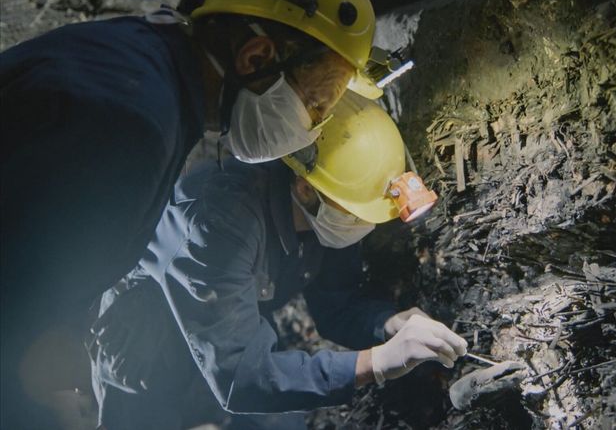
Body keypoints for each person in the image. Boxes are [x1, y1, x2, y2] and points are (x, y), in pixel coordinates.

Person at [0, 0, 385, 426]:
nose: (310, 128)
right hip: (141, 365)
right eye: (316, 103)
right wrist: (32, 399)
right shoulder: (133, 126)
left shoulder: (137, 66)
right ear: (255, 56)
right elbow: (16, 288)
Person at [87, 92, 466, 429]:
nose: (362, 225)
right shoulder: (215, 225)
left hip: (237, 333)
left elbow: (336, 307)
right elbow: (242, 379)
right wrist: (377, 363)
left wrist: (387, 324)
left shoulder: (331, 212)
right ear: (304, 187)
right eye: (356, 213)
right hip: (148, 354)